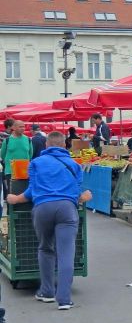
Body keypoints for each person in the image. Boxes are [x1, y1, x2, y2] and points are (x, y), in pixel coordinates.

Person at [6, 132, 92, 310]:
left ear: (46, 145)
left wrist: (14, 199)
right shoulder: (75, 165)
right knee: (66, 253)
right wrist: (84, 197)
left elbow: (31, 190)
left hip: (42, 208)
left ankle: (46, 292)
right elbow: (77, 192)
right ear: (64, 145)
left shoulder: (35, 163)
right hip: (67, 209)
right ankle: (65, 299)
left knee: (45, 248)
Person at [1, 120, 32, 218]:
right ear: (13, 128)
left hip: (25, 172)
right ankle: (11, 218)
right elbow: (2, 154)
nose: (23, 128)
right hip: (11, 172)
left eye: (24, 126)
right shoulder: (7, 140)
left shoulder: (28, 139)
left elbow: (30, 154)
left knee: (25, 194)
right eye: (20, 127)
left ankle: (24, 217)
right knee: (12, 194)